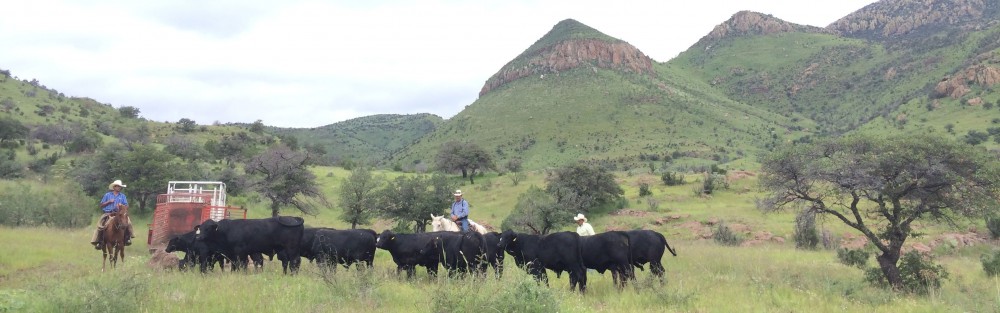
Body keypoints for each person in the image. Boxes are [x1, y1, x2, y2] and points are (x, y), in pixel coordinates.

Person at [91, 180, 134, 249]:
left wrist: (121, 205)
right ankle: (98, 241)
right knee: (100, 225)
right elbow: (101, 205)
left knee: (128, 223)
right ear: (114, 187)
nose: (119, 188)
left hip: (119, 214)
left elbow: (127, 206)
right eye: (118, 186)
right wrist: (108, 202)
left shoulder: (123, 196)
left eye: (120, 187)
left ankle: (128, 238)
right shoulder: (107, 195)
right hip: (108, 213)